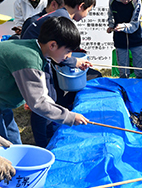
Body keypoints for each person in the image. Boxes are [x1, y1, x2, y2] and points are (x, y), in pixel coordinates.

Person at [0, 17, 89, 147]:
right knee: (5, 150)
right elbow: (38, 103)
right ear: (52, 45)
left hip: (3, 105)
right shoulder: (29, 61)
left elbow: (42, 95)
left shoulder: (35, 49)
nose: (69, 56)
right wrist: (69, 117)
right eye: (68, 51)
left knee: (14, 144)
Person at [21, 0, 96, 148]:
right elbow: (58, 51)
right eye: (89, 10)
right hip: (34, 60)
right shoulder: (63, 20)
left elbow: (58, 52)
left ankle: (48, 132)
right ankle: (43, 143)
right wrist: (73, 61)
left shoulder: (59, 14)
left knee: (51, 97)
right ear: (81, 6)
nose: (87, 15)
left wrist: (74, 62)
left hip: (41, 56)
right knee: (43, 101)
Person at [107, 0, 142, 79]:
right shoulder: (112, 2)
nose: (126, 1)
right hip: (120, 39)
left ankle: (141, 86)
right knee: (123, 71)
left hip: (136, 37)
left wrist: (124, 26)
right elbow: (111, 15)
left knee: (140, 69)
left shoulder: (136, 2)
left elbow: (135, 22)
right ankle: (124, 87)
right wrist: (111, 25)